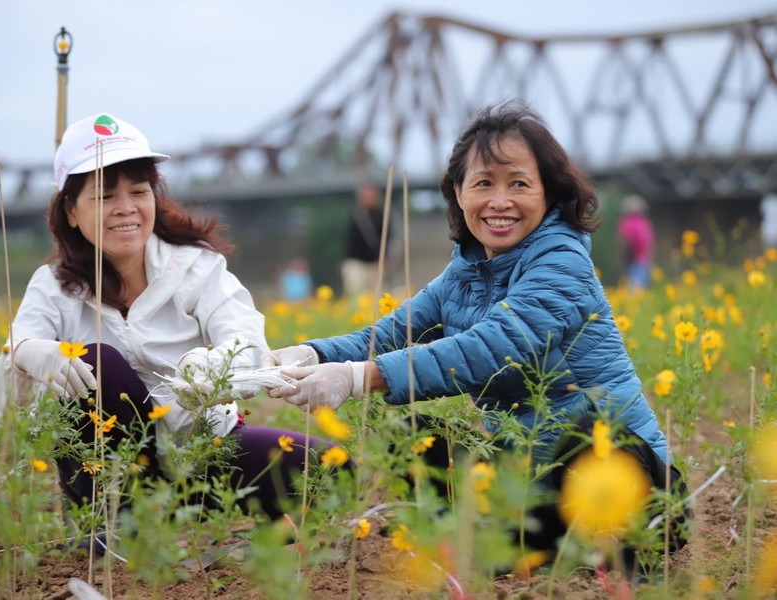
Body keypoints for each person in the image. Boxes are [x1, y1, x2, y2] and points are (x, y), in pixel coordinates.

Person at [263, 101, 689, 560]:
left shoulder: (562, 259)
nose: (499, 201)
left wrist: (357, 378)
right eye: (483, 183)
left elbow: (491, 349)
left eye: (519, 184)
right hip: (529, 479)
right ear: (458, 193)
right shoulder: (465, 269)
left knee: (590, 432)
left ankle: (603, 543)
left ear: (549, 193)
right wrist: (311, 355)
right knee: (414, 434)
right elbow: (390, 333)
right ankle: (512, 546)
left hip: (622, 479)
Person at [0, 112, 335, 523]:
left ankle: (188, 508)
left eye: (139, 191)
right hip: (109, 473)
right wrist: (24, 356)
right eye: (104, 196)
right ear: (71, 212)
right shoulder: (52, 288)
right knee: (96, 361)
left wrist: (211, 365)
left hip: (204, 448)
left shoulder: (196, 267)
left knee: (331, 471)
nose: (126, 208)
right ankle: (111, 525)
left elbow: (250, 345)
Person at [340, 180, 390, 296]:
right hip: (356, 263)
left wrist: (385, 260)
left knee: (376, 296)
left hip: (375, 264)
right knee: (355, 294)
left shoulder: (383, 216)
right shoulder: (355, 216)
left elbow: (387, 239)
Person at [617, 194, 654, 290]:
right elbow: (647, 243)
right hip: (641, 258)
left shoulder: (625, 222)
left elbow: (623, 242)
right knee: (640, 285)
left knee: (633, 285)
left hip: (632, 259)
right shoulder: (644, 222)